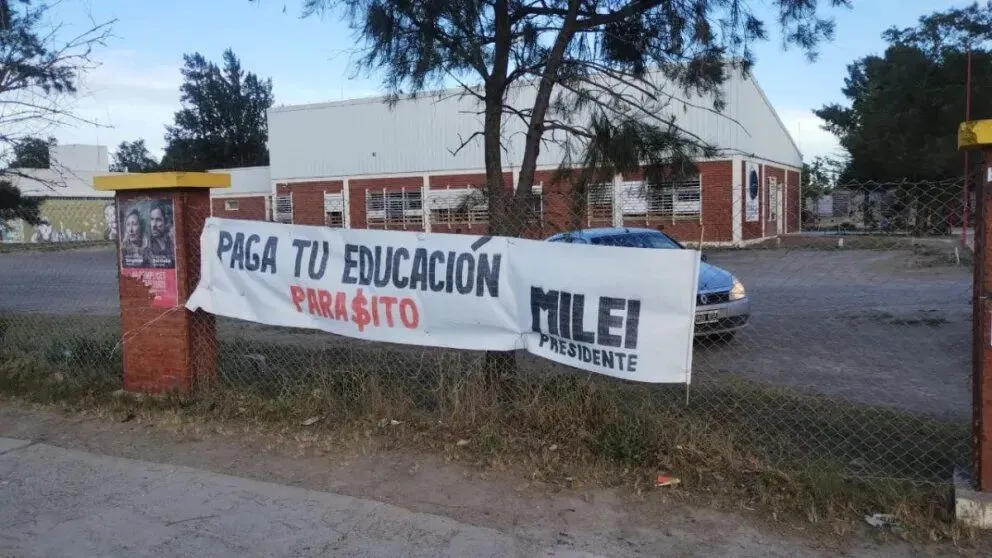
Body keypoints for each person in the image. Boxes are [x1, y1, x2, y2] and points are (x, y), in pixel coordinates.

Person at [147, 201, 175, 268]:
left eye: (158, 220)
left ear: (166, 222)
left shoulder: (171, 242)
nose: (153, 225)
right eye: (152, 219)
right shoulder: (148, 246)